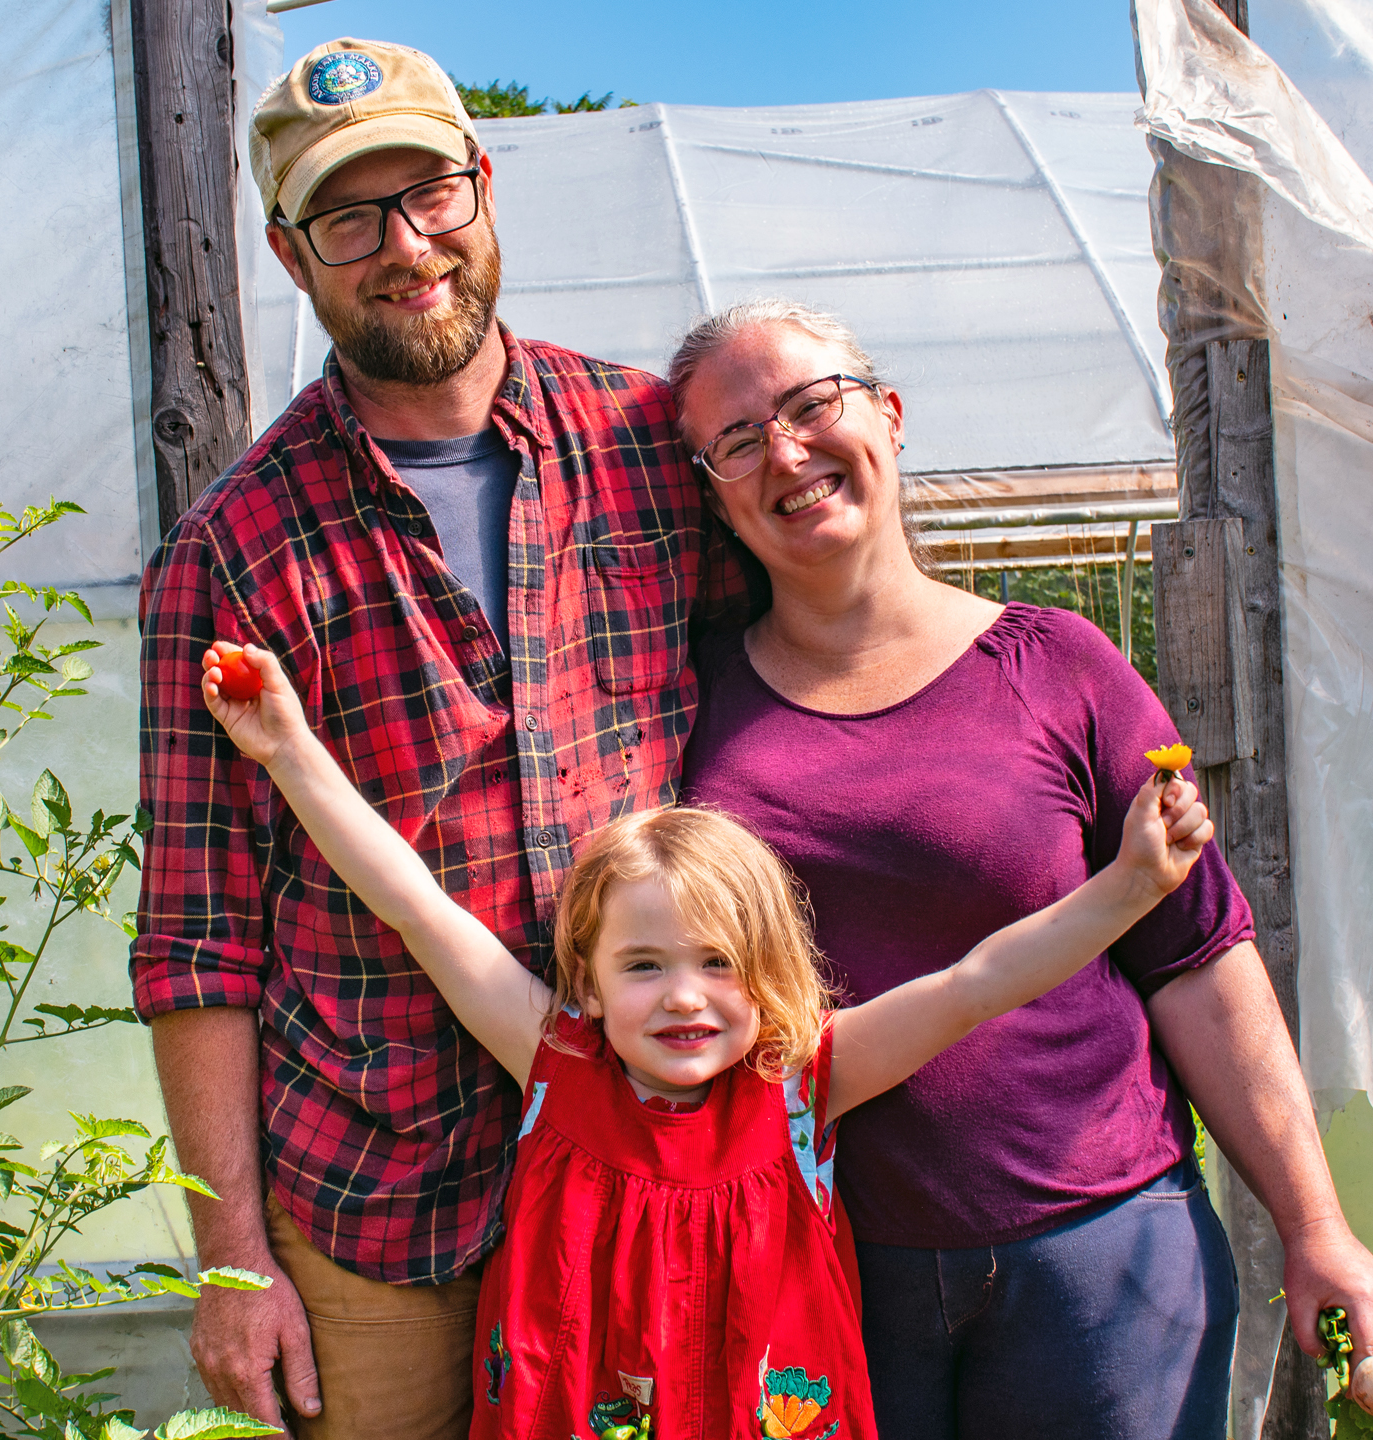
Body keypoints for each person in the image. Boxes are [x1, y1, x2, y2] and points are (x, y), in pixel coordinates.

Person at [131, 39, 742, 1440]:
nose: (405, 248)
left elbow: (770, 712)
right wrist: (233, 1258)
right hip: (381, 1190)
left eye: (431, 196)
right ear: (293, 259)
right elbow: (197, 941)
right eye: (350, 217)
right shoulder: (235, 553)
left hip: (644, 1157)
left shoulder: (648, 443)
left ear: (484, 192)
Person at [199, 639, 1214, 1439]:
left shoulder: (804, 1081)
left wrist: (1129, 887)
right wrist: (288, 747)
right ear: (587, 981)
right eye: (644, 967)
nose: (685, 997)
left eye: (720, 963)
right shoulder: (553, 1062)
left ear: (769, 972)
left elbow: (973, 985)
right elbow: (417, 907)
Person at [670, 299, 1373, 1438]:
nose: (787, 453)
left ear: (889, 419)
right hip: (820, 1274)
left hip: (1101, 1270)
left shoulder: (1061, 666)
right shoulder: (686, 711)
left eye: (812, 405)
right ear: (714, 494)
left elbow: (1198, 959)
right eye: (739, 440)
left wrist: (1315, 1225)